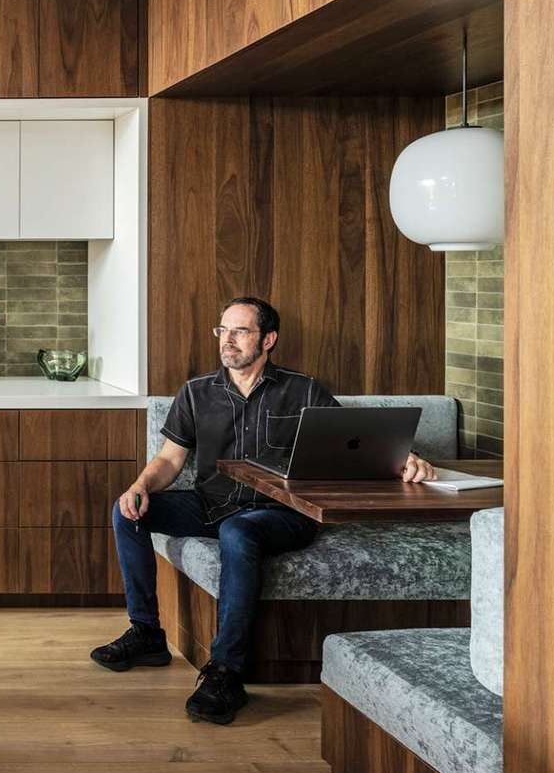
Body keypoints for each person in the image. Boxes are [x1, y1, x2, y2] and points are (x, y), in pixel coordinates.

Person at [89, 296, 435, 724]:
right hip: (211, 505)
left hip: (281, 514)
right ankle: (147, 633)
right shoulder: (196, 393)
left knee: (239, 532)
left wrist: (408, 458)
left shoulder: (303, 390)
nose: (227, 341)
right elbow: (170, 461)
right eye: (222, 330)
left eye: (240, 331)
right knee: (127, 512)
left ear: (268, 339)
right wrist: (140, 486)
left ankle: (227, 672)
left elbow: (359, 443)